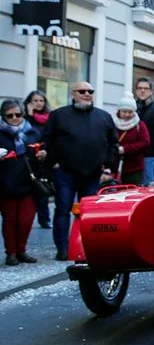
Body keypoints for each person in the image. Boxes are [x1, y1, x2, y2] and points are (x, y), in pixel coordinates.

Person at [42, 82, 117, 260]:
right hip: (65, 172)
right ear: (73, 94)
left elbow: (112, 143)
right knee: (63, 209)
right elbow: (47, 140)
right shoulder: (59, 115)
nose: (86, 94)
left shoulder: (104, 117)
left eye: (90, 91)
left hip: (92, 173)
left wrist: (108, 166)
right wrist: (53, 163)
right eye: (82, 91)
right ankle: (62, 248)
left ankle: (86, 246)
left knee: (89, 212)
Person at [0, 99, 48, 265]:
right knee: (10, 220)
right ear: (3, 116)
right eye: (10, 115)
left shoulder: (32, 132)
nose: (14, 118)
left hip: (29, 182)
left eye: (18, 114)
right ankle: (11, 253)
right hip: (6, 182)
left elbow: (41, 151)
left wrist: (42, 155)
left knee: (26, 220)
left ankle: (22, 250)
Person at [23, 90, 52, 228]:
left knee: (43, 190)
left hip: (43, 158)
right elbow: (25, 133)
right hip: (28, 159)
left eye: (41, 101)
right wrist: (29, 115)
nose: (39, 103)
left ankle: (44, 219)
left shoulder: (49, 118)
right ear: (29, 102)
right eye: (35, 101)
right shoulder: (23, 118)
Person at [112, 94, 151, 185]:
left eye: (130, 112)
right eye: (124, 112)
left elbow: (145, 142)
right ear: (119, 111)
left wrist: (125, 149)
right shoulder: (112, 124)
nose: (127, 115)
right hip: (115, 167)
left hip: (134, 168)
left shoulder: (139, 125)